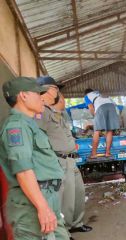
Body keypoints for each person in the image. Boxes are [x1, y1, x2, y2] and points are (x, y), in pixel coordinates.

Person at [0, 77, 69, 240]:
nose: (41, 98)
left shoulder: (29, 124)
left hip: (45, 198)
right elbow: (23, 171)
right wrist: (43, 208)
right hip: (32, 205)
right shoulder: (16, 126)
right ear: (23, 96)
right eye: (37, 94)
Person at [36, 76, 92, 234]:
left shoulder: (55, 113)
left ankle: (77, 223)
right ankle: (65, 230)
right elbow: (39, 139)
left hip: (71, 160)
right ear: (46, 89)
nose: (58, 92)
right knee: (65, 199)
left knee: (78, 194)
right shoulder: (41, 112)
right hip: (59, 160)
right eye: (55, 88)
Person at [84, 88, 120, 158]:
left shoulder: (87, 96)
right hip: (112, 106)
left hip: (101, 107)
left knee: (96, 131)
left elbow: (91, 108)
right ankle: (107, 153)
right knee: (109, 130)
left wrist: (95, 117)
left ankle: (94, 154)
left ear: (86, 93)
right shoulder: (99, 93)